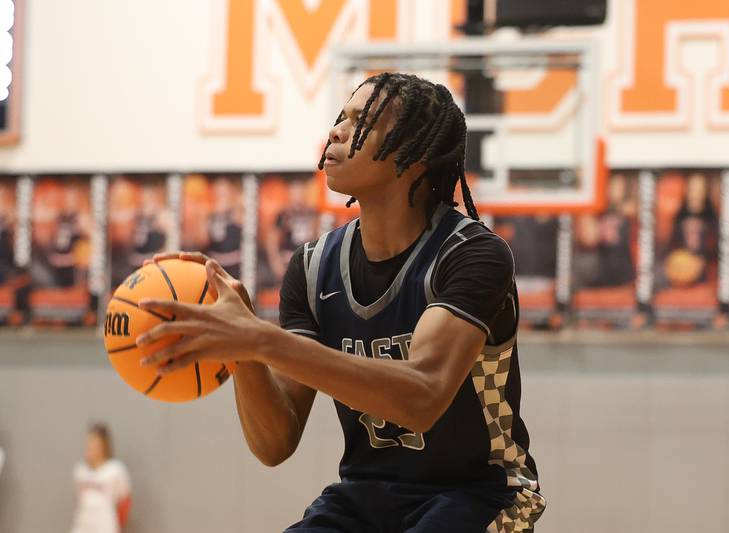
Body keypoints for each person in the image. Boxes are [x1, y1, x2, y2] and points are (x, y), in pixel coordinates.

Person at [138, 72, 545, 532]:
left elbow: (422, 396)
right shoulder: (312, 268)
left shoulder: (472, 254)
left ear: (416, 155)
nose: (335, 131)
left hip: (482, 493)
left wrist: (262, 340)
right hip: (365, 497)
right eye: (339, 118)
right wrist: (245, 351)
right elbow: (275, 444)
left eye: (361, 121)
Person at [71, 423, 131, 533]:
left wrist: (118, 524)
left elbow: (125, 501)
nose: (90, 447)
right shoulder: (80, 470)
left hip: (104, 525)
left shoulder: (115, 469)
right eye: (89, 443)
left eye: (95, 444)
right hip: (83, 524)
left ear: (104, 446)